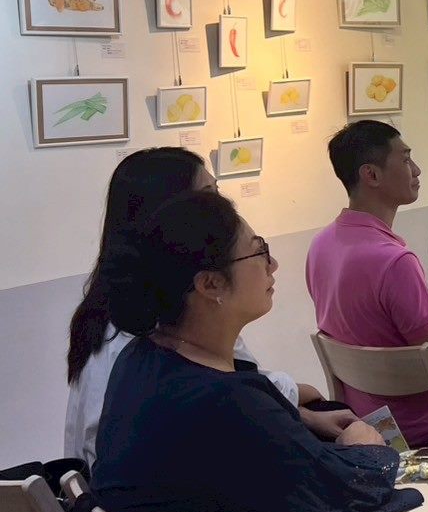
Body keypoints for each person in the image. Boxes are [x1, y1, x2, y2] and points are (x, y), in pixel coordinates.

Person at [90, 190, 422, 512]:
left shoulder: (141, 356)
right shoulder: (226, 400)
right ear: (210, 284)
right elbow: (353, 492)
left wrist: (302, 419)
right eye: (259, 250)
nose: (272, 264)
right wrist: (363, 445)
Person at [65, 148, 339, 469]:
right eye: (209, 195)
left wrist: (293, 406)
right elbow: (221, 399)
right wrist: (289, 396)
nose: (223, 207)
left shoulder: (151, 318)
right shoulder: (138, 339)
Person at [306, 121, 428, 448]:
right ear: (371, 174)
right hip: (424, 426)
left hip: (362, 420)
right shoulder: (395, 261)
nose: (417, 170)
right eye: (405, 160)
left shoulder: (320, 245)